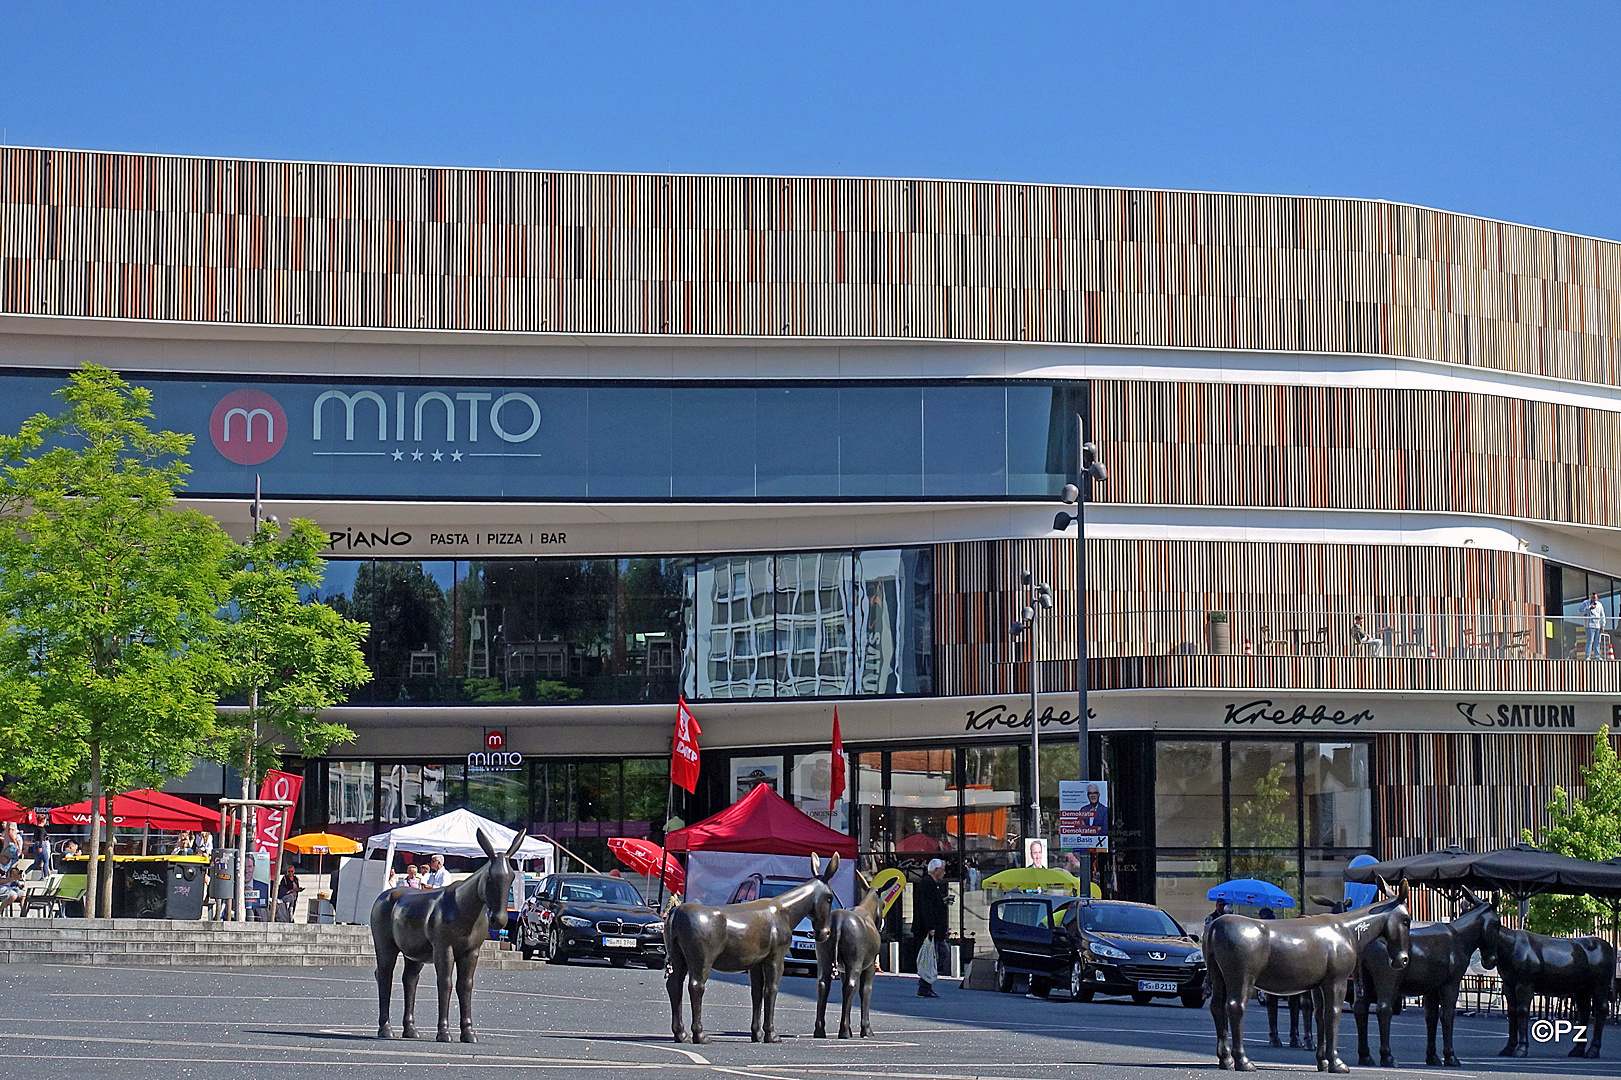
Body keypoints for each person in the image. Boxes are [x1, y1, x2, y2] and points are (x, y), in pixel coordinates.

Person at [912, 858, 951, 998]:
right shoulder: (927, 883)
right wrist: (931, 927)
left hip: (932, 929)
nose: (944, 873)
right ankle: (925, 983)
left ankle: (925, 983)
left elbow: (931, 904)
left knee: (934, 956)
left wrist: (942, 901)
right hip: (928, 930)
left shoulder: (930, 884)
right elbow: (926, 907)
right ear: (936, 870)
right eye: (942, 870)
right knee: (935, 955)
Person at [1582, 593, 1607, 658]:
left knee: (1597, 641)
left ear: (1597, 598)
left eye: (1595, 598)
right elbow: (1581, 612)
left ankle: (1597, 656)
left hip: (1597, 625)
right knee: (1590, 641)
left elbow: (1602, 615)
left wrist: (1603, 625)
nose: (1593, 599)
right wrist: (1589, 608)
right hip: (1589, 625)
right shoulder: (1585, 603)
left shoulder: (1599, 605)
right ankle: (1587, 656)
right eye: (1592, 598)